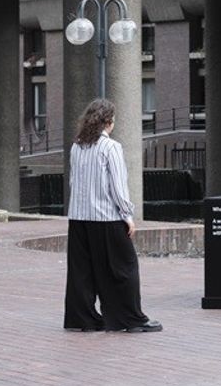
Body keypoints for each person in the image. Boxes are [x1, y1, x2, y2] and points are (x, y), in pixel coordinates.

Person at [63, 97, 163, 333]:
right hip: (106, 218)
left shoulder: (77, 145)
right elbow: (118, 186)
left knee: (81, 272)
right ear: (108, 121)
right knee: (124, 268)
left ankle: (82, 319)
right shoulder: (111, 147)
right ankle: (130, 319)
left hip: (78, 218)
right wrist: (127, 215)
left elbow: (73, 182)